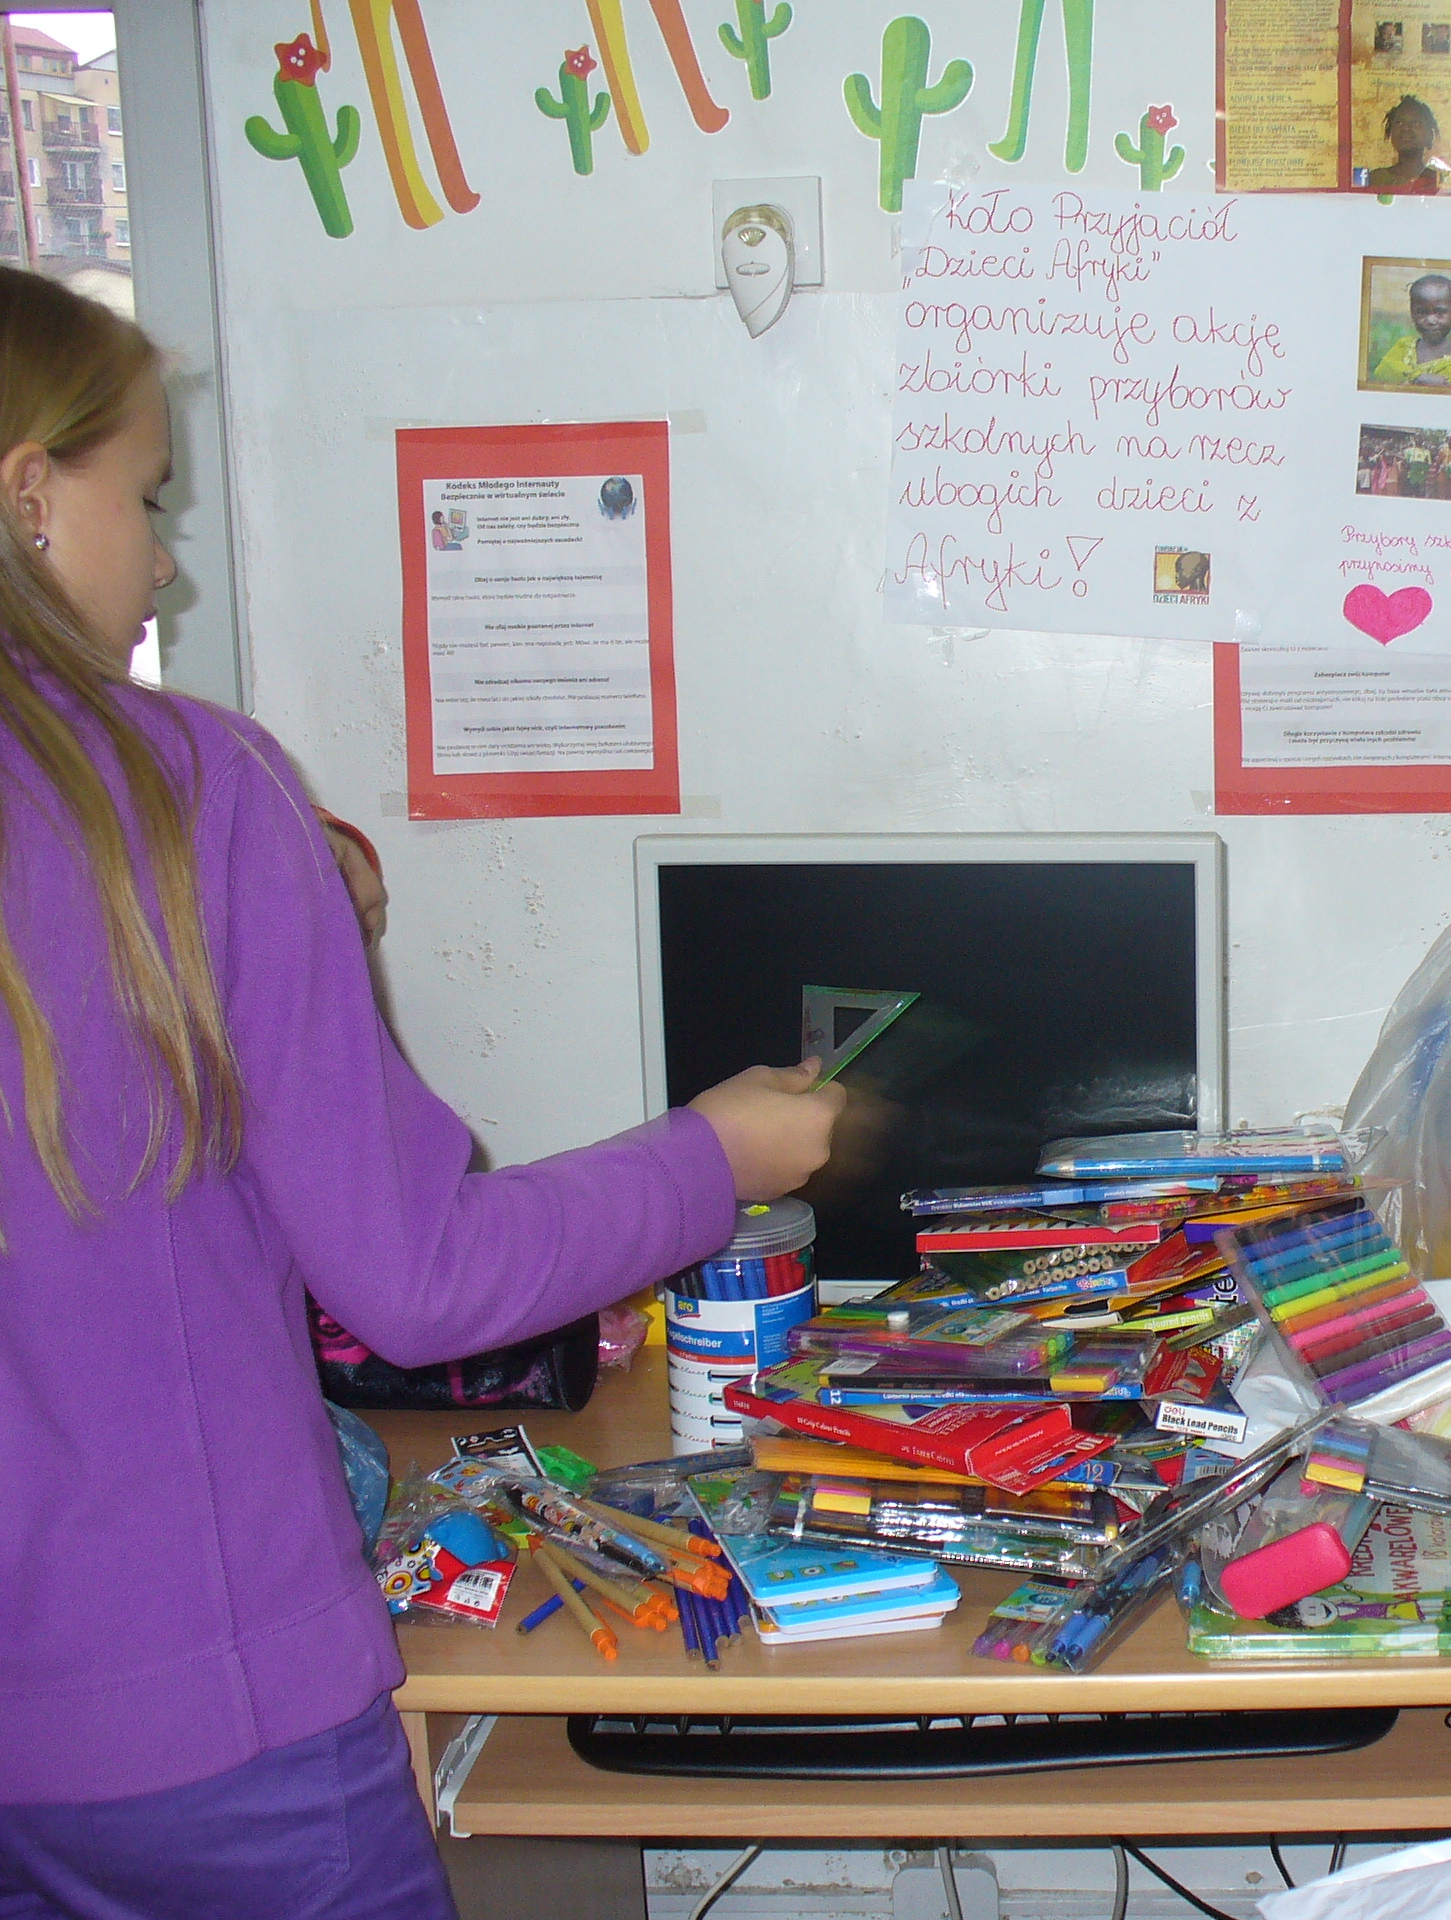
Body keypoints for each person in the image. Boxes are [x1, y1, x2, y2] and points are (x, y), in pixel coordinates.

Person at [0, 269, 846, 1917]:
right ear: (33, 493)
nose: (165, 560)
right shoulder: (191, 795)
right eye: (149, 497)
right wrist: (715, 1155)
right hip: (202, 1732)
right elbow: (420, 1278)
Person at [1369, 272, 1451, 389]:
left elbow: (1448, 387)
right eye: (1422, 313)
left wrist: (1409, 377)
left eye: (1439, 313)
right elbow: (1383, 372)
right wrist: (1419, 377)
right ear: (1412, 314)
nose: (1430, 320)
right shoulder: (1404, 347)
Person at [1365, 94, 1445, 195]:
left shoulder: (1439, 181)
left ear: (1429, 134)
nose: (1406, 128)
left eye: (1415, 123)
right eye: (1399, 123)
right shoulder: (1375, 179)